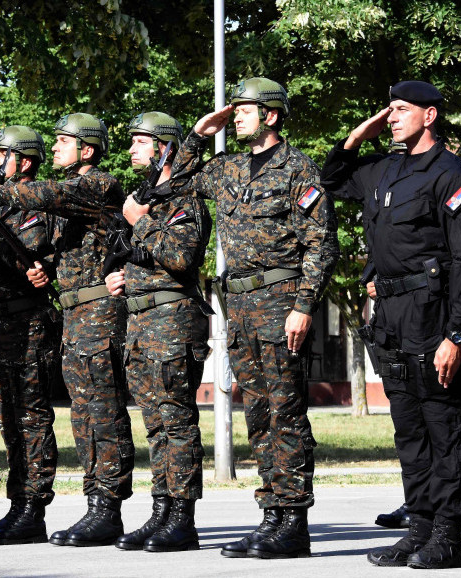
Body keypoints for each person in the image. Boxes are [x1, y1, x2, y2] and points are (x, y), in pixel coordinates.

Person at [170, 77, 339, 558]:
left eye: (246, 109)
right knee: (260, 414)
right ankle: (272, 515)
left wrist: (304, 306)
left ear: (273, 115)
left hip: (281, 301)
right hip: (239, 307)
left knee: (286, 412)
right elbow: (173, 184)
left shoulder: (296, 167)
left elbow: (320, 243)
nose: (236, 114)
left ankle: (293, 519)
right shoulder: (225, 168)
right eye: (235, 109)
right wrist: (200, 135)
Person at [322, 80, 461, 569]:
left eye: (400, 110)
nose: (391, 118)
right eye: (387, 110)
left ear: (429, 115)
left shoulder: (450, 174)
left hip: (431, 311)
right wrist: (357, 135)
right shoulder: (384, 168)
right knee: (409, 427)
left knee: (444, 424)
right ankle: (419, 527)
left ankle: (448, 534)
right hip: (389, 315)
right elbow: (330, 179)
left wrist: (456, 334)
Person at [0, 113, 134, 548]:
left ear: (87, 150)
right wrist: (40, 269)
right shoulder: (63, 205)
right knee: (81, 414)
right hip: (74, 313)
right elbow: (50, 252)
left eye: (62, 141)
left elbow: (48, 196)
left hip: (96, 311)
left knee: (101, 412)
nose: (54, 148)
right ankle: (43, 508)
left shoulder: (97, 185)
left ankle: (105, 509)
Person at [103, 111, 212, 553]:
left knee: (177, 421)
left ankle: (183, 519)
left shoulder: (186, 197)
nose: (131, 149)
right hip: (140, 321)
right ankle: (161, 511)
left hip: (173, 321)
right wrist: (118, 276)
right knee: (155, 426)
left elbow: (182, 257)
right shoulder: (144, 197)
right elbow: (137, 256)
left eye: (140, 141)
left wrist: (139, 221)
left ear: (165, 147)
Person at [0, 126, 62, 546]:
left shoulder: (38, 202)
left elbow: (28, 252)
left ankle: (33, 508)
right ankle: (16, 503)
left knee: (31, 417)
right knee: (8, 419)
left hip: (29, 323)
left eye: (3, 154)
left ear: (24, 160)